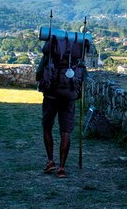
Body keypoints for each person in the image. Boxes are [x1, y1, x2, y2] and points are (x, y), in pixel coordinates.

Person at [36, 35, 84, 178]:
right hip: (69, 95)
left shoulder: (50, 55)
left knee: (47, 126)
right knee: (65, 131)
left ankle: (50, 161)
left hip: (51, 94)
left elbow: (39, 73)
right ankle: (62, 167)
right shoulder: (75, 57)